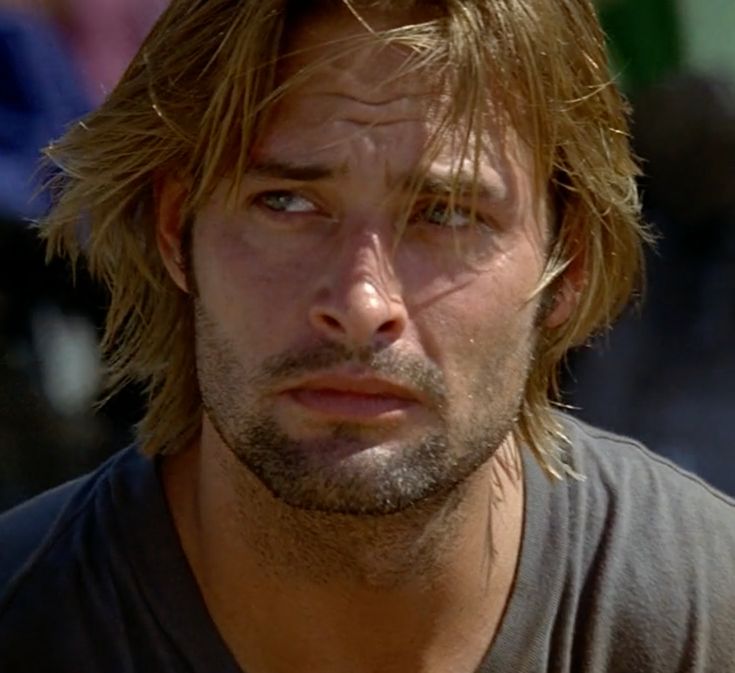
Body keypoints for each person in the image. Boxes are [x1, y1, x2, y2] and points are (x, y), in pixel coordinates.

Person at [1, 1, 733, 671]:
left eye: (445, 214)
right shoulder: (30, 619)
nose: (361, 301)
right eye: (286, 202)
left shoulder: (699, 614)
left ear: (563, 263)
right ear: (174, 230)